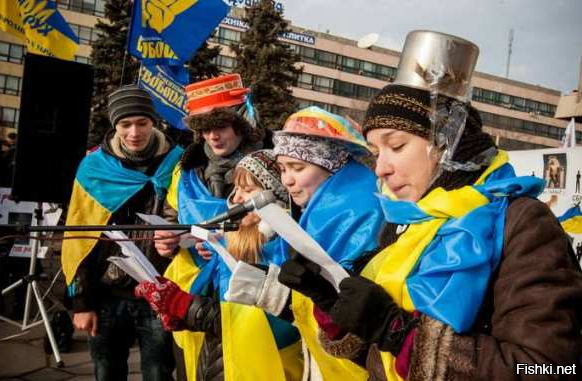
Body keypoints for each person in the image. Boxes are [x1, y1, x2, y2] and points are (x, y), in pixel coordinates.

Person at [280, 31, 582, 381]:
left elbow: (551, 367)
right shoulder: (404, 222)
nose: (381, 168)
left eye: (396, 145)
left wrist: (398, 331)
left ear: (446, 145)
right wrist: (336, 308)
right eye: (377, 153)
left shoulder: (523, 223)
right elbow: (384, 360)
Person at [225, 106, 385, 380]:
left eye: (298, 167)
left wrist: (273, 292)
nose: (287, 180)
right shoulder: (315, 215)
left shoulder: (362, 214)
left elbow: (352, 314)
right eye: (283, 168)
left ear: (331, 165)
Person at [135, 150, 303, 381]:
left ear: (274, 195)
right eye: (237, 189)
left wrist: (184, 307)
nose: (235, 199)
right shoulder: (234, 239)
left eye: (248, 190)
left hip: (265, 366)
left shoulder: (282, 246)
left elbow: (268, 327)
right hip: (221, 359)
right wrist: (183, 315)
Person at [152, 74, 274, 381]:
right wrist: (167, 241)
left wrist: (230, 244)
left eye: (219, 126)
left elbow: (291, 229)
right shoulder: (187, 170)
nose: (212, 137)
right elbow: (173, 218)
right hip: (193, 292)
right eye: (203, 129)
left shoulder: (273, 163)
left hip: (251, 297)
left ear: (241, 122)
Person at [61, 85, 183, 381]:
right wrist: (82, 303)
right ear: (115, 126)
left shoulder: (179, 162)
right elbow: (80, 240)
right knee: (108, 371)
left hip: (162, 292)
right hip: (106, 295)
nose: (134, 132)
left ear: (154, 122)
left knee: (159, 373)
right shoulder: (93, 168)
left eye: (142, 123)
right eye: (125, 124)